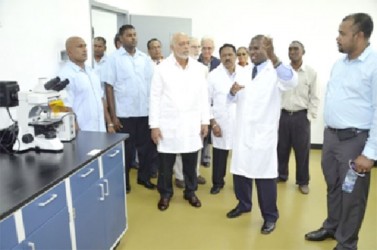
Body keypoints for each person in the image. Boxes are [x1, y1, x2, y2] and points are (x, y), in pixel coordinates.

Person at [305, 13, 377, 250]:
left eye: (342, 33)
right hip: (332, 137)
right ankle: (332, 226)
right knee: (334, 186)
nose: (337, 38)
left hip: (355, 140)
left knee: (352, 195)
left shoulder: (374, 64)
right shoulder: (340, 64)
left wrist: (370, 153)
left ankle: (347, 243)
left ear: (359, 36)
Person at [226, 35, 297, 235]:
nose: (253, 51)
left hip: (263, 134)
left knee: (265, 177)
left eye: (257, 48)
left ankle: (270, 216)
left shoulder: (275, 72)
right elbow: (231, 99)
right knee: (240, 172)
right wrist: (231, 92)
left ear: (268, 50)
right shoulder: (244, 71)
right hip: (243, 132)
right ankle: (243, 204)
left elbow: (291, 81)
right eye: (251, 48)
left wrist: (274, 57)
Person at [149, 32, 210, 211]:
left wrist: (205, 121)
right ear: (172, 47)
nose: (185, 47)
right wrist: (154, 126)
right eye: (181, 44)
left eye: (187, 43)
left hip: (192, 124)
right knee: (166, 164)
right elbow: (154, 98)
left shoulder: (200, 69)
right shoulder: (162, 68)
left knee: (191, 163)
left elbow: (203, 97)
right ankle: (165, 194)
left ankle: (190, 192)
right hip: (168, 125)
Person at [103, 24, 156, 193]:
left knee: (146, 149)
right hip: (125, 114)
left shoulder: (144, 58)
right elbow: (109, 87)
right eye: (128, 35)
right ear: (121, 38)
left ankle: (144, 177)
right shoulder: (113, 59)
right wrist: (114, 116)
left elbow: (153, 84)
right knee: (126, 150)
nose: (133, 37)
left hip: (145, 112)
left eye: (134, 34)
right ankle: (124, 182)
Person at [277, 41, 319, 194]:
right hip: (283, 115)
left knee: (302, 151)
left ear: (303, 52)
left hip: (301, 116)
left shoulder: (310, 72)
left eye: (296, 49)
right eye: (290, 49)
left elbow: (314, 97)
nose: (293, 51)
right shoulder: (282, 71)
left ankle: (303, 181)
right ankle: (281, 175)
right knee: (281, 148)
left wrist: (309, 117)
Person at [58, 36, 113, 133]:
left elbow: (100, 98)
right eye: (80, 46)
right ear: (69, 52)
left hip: (100, 130)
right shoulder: (66, 75)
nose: (85, 50)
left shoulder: (92, 71)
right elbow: (65, 106)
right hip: (83, 131)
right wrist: (75, 130)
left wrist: (109, 123)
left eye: (85, 46)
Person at [207, 43, 238, 194]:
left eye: (230, 55)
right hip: (220, 121)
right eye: (224, 55)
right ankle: (217, 183)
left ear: (235, 56)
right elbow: (206, 102)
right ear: (220, 57)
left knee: (240, 154)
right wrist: (213, 123)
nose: (227, 58)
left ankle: (240, 183)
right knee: (219, 155)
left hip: (239, 122)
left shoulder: (244, 74)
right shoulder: (213, 76)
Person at [198, 36, 221, 167]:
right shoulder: (195, 63)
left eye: (209, 48)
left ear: (213, 49)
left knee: (212, 132)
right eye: (204, 48)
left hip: (215, 102)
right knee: (202, 130)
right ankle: (199, 156)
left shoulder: (218, 63)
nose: (207, 51)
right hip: (201, 102)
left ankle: (206, 158)